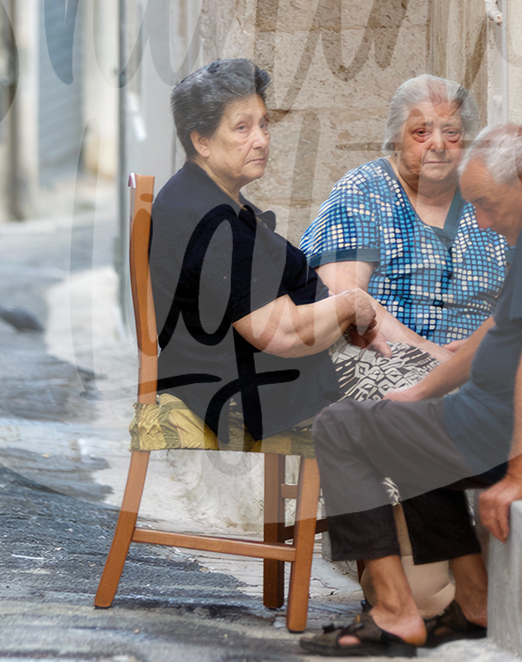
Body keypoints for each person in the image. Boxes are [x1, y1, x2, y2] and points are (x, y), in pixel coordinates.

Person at [300, 123, 522, 658]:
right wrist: (419, 393)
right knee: (408, 427)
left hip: (514, 437)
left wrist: (517, 476)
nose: (482, 219)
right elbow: (495, 332)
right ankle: (476, 601)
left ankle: (394, 613)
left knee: (340, 427)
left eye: (487, 204)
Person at [148, 58, 389, 444]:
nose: (261, 139)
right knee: (425, 410)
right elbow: (282, 334)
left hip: (262, 377)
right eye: (242, 128)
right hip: (251, 392)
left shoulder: (207, 199)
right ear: (201, 141)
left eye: (263, 123)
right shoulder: (209, 218)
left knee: (439, 386)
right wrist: (351, 305)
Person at [300, 76, 508, 356]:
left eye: (452, 133)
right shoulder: (363, 190)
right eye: (421, 132)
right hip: (382, 362)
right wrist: (433, 355)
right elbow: (342, 293)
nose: (438, 144)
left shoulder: (490, 201)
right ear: (396, 138)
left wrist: (496, 345)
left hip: (479, 367)